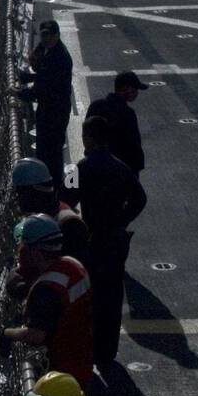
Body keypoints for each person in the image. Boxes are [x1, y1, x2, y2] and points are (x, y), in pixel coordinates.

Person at [64, 116, 147, 366]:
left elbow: (64, 199)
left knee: (90, 295)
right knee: (113, 295)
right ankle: (108, 351)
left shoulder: (81, 168)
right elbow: (140, 199)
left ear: (88, 138)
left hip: (92, 238)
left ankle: (91, 346)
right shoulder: (121, 167)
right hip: (116, 239)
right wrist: (122, 221)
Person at [3, 215, 94, 388]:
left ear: (35, 252)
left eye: (24, 246)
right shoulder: (72, 264)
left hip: (62, 371)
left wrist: (7, 334)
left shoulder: (46, 290)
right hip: (83, 357)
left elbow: (36, 335)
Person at [13, 20, 73, 197]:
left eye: (49, 35)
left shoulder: (59, 58)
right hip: (48, 109)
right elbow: (42, 74)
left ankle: (53, 191)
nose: (46, 39)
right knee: (45, 150)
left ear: (57, 35)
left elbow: (43, 86)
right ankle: (49, 188)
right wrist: (29, 78)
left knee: (51, 152)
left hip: (55, 111)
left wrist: (19, 93)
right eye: (43, 35)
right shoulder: (48, 50)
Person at [87, 70, 148, 176]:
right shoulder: (127, 114)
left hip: (95, 165)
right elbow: (134, 147)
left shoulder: (95, 106)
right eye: (134, 89)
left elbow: (87, 135)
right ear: (125, 89)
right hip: (121, 170)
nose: (136, 93)